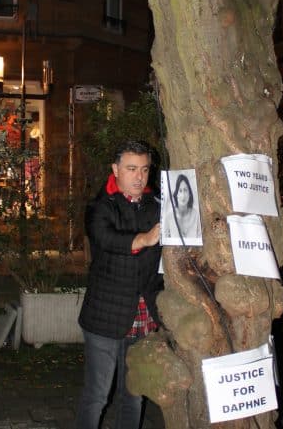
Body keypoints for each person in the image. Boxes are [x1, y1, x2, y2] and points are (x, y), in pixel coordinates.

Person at [75, 140, 163, 429]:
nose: (139, 177)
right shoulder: (101, 206)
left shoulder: (157, 204)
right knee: (97, 395)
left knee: (134, 394)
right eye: (131, 169)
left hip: (144, 312)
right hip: (105, 314)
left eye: (145, 169)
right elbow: (106, 239)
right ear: (115, 169)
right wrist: (144, 239)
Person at [163, 173, 201, 241]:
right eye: (180, 191)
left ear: (189, 193)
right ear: (176, 194)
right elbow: (165, 240)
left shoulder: (196, 215)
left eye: (185, 190)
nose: (183, 195)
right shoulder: (169, 217)